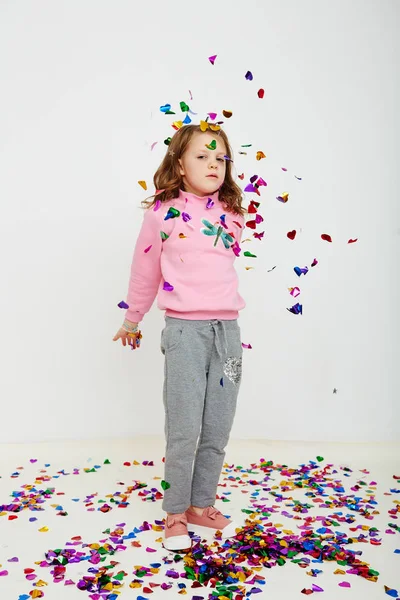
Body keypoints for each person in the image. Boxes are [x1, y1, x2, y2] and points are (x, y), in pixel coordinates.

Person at [113, 123, 247, 552]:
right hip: (186, 333)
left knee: (217, 426)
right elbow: (145, 271)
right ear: (179, 163)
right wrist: (132, 320)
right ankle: (175, 512)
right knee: (184, 427)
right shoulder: (162, 213)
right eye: (202, 156)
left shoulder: (233, 214)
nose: (213, 164)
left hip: (227, 332)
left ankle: (200, 504)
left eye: (220, 158)